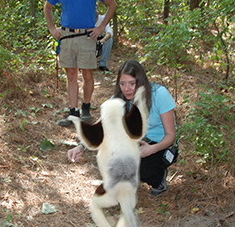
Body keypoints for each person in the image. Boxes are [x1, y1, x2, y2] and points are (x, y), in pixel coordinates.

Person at [68, 60, 177, 196]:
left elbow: (170, 135)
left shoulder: (160, 94)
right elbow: (100, 126)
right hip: (135, 142)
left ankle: (158, 179)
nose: (127, 89)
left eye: (132, 83)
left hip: (160, 145)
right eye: (122, 83)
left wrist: (151, 149)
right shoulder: (119, 99)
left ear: (141, 81)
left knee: (144, 168)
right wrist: (81, 146)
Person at [44, 0, 117, 127]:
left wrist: (101, 27)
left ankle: (86, 108)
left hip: (87, 36)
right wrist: (52, 28)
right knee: (70, 75)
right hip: (67, 36)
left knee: (87, 74)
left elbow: (111, 4)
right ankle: (72, 112)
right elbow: (48, 7)